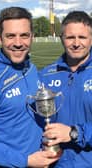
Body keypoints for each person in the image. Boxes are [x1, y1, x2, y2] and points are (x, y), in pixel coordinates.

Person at [0, 6, 59, 168]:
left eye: (24, 35)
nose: (18, 43)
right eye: (10, 36)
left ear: (32, 37)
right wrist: (26, 161)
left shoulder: (32, 70)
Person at [39, 11, 92, 167]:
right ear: (62, 39)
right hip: (56, 163)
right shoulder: (45, 75)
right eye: (70, 37)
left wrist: (73, 133)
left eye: (82, 37)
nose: (76, 43)